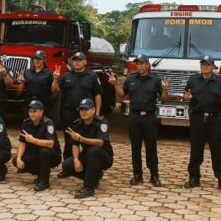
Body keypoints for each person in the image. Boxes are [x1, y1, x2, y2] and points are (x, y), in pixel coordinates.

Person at [110, 53, 169, 187]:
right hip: (134, 117)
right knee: (135, 147)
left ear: (148, 65)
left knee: (151, 147)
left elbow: (164, 99)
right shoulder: (131, 79)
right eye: (138, 63)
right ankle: (137, 175)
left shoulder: (155, 80)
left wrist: (165, 89)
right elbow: (121, 94)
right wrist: (114, 84)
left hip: (149, 117)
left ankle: (154, 175)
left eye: (142, 63)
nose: (139, 65)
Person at [182, 55, 221, 194]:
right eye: (202, 64)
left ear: (212, 67)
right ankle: (194, 178)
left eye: (207, 64)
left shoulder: (220, 81)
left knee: (217, 151)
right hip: (197, 118)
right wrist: (186, 97)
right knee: (195, 150)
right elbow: (185, 95)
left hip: (213, 120)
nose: (204, 67)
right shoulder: (193, 80)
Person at [52, 51, 102, 163]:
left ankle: (88, 164)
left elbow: (97, 94)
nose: (77, 62)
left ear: (85, 62)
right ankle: (68, 165)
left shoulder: (92, 76)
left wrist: (97, 112)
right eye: (75, 60)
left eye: (80, 60)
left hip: (86, 114)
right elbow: (55, 91)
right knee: (69, 139)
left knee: (87, 139)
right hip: (68, 112)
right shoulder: (66, 76)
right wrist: (55, 79)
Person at [61, 98, 114, 199]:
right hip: (88, 155)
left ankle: (89, 187)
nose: (83, 112)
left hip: (104, 156)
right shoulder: (77, 123)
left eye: (86, 109)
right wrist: (76, 160)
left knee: (93, 150)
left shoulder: (102, 122)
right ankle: (94, 178)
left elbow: (100, 142)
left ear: (93, 110)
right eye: (81, 110)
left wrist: (81, 138)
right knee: (67, 165)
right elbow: (75, 144)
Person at [13, 100, 61, 191]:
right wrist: (19, 158)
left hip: (52, 156)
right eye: (30, 111)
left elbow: (50, 144)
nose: (32, 114)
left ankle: (44, 182)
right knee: (16, 160)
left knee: (44, 150)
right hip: (36, 153)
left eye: (34, 111)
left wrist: (33, 140)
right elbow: (22, 143)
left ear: (41, 111)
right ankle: (41, 173)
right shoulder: (26, 123)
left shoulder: (48, 123)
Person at [16, 50, 54, 118]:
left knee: (42, 125)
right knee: (27, 124)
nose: (37, 60)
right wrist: (22, 82)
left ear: (44, 60)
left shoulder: (49, 73)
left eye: (39, 59)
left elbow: (54, 92)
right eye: (35, 58)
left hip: (43, 103)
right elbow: (19, 93)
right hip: (29, 102)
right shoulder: (27, 73)